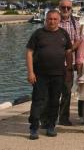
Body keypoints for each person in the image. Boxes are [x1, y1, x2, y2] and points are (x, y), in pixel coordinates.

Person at [26, 10, 73, 140]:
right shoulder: (38, 34)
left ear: (58, 20)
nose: (52, 21)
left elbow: (69, 52)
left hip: (58, 74)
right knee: (38, 101)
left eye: (54, 19)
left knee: (54, 101)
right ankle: (34, 127)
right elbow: (29, 52)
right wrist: (30, 72)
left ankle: (51, 126)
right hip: (40, 74)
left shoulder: (64, 34)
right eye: (49, 19)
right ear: (46, 19)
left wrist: (69, 70)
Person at [54, 0, 81, 127]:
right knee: (52, 91)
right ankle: (48, 118)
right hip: (54, 62)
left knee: (67, 92)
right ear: (59, 8)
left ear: (71, 9)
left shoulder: (76, 23)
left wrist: (69, 49)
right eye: (63, 7)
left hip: (70, 62)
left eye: (68, 8)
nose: (65, 10)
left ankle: (64, 118)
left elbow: (78, 40)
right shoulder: (54, 22)